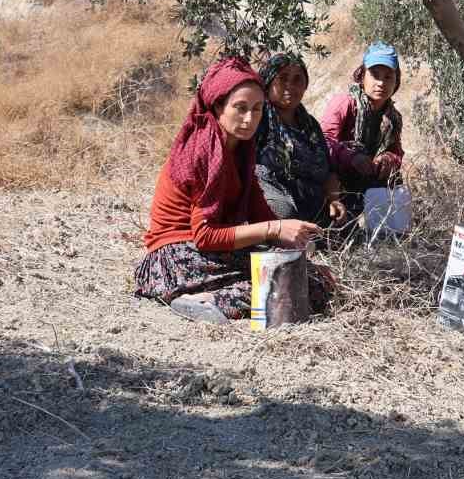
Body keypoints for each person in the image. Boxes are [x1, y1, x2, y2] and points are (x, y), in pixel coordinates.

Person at [133, 56, 332, 325]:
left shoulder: (240, 147)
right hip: (178, 258)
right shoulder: (205, 149)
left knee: (315, 280)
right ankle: (208, 301)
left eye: (258, 109)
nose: (250, 119)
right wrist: (274, 231)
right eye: (240, 108)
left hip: (204, 253)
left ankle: (210, 297)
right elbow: (205, 236)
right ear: (218, 106)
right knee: (288, 286)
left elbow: (259, 212)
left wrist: (290, 237)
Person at [253, 52, 348, 226]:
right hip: (276, 201)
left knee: (348, 224)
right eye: (282, 78)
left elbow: (330, 172)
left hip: (313, 202)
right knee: (283, 212)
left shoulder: (310, 124)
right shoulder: (258, 117)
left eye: (297, 79)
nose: (290, 85)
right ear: (268, 82)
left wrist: (334, 200)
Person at [320, 42, 405, 214]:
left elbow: (396, 152)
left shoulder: (393, 118)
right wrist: (352, 157)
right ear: (362, 76)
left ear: (396, 81)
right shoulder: (345, 103)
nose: (381, 83)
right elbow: (324, 142)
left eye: (388, 77)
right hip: (338, 179)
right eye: (375, 75)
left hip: (370, 180)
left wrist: (388, 159)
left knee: (396, 183)